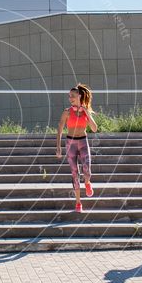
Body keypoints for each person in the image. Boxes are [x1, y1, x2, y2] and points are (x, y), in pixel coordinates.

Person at [56, 84, 98, 212]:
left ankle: (87, 183)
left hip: (83, 142)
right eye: (69, 96)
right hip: (71, 144)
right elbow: (59, 130)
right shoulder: (67, 112)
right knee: (75, 173)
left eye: (73, 96)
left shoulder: (86, 112)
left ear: (79, 96)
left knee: (87, 169)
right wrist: (58, 147)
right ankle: (78, 203)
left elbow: (95, 129)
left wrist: (86, 112)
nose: (70, 98)